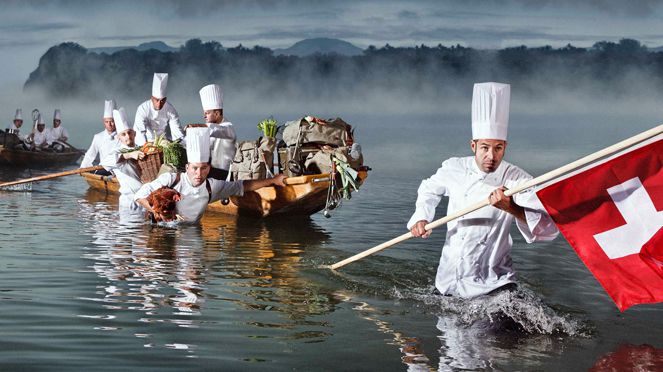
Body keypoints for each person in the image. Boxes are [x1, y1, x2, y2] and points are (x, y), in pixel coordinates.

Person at [407, 82, 559, 298]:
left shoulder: (517, 179)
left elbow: (549, 229)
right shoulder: (454, 167)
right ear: (473, 146)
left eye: (498, 148)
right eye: (485, 148)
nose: (491, 156)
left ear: (505, 147)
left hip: (493, 287)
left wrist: (512, 208)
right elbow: (429, 189)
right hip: (446, 284)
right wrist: (421, 218)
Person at [134, 127, 286, 223]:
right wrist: (156, 211)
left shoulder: (212, 187)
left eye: (203, 168)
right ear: (187, 167)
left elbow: (242, 185)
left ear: (209, 168)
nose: (198, 174)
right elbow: (139, 196)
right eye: (194, 168)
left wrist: (274, 180)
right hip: (160, 230)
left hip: (193, 235)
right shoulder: (172, 179)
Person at [101, 107, 144, 212]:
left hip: (145, 200)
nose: (127, 136)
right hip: (128, 202)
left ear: (134, 133)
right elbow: (105, 162)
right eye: (123, 134)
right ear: (119, 137)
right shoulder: (116, 152)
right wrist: (129, 155)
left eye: (129, 132)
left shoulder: (143, 150)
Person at [133, 73, 184, 146]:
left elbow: (177, 132)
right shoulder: (143, 108)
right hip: (146, 141)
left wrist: (179, 145)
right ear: (152, 99)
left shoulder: (170, 109)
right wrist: (145, 146)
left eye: (162, 100)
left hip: (163, 141)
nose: (159, 104)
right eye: (157, 100)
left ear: (165, 99)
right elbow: (139, 131)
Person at [198, 83, 236, 180]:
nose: (204, 116)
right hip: (212, 171)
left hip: (226, 174)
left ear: (217, 113)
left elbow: (214, 129)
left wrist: (197, 126)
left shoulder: (228, 127)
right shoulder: (212, 128)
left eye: (207, 113)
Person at [80, 100, 117, 175]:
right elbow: (90, 154)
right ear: (103, 121)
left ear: (116, 121)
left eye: (111, 121)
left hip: (120, 169)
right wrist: (82, 168)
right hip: (104, 168)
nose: (109, 124)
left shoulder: (123, 135)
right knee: (98, 173)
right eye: (107, 122)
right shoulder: (98, 137)